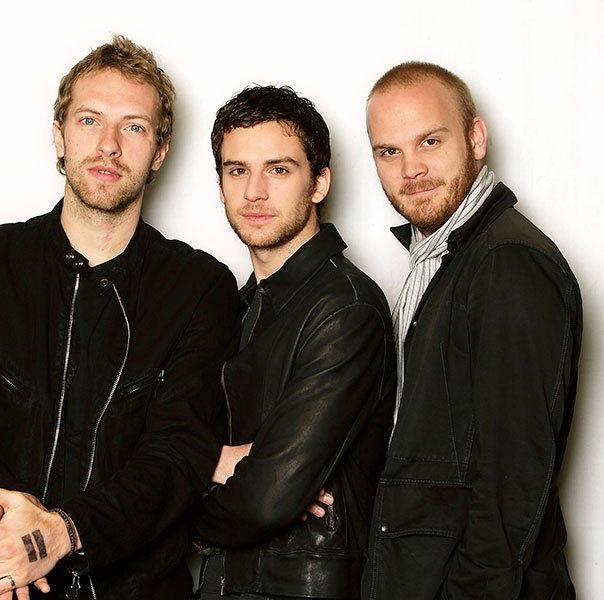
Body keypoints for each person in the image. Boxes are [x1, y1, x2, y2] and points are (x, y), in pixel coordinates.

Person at [0, 35, 240, 599]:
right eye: (90, 120)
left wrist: (60, 534)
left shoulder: (200, 287)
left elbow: (175, 455)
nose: (109, 145)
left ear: (160, 151)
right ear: (59, 135)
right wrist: (10, 537)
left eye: (134, 127)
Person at [362, 61, 582, 599]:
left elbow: (514, 479)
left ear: (476, 138)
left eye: (430, 141)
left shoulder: (507, 263)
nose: (411, 168)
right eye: (389, 152)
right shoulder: (438, 261)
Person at [192, 85, 395, 599]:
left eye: (278, 170)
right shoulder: (234, 307)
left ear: (319, 182)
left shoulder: (345, 308)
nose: (254, 192)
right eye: (237, 171)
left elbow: (267, 499)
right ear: (220, 185)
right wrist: (213, 460)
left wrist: (174, 515)